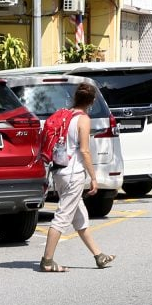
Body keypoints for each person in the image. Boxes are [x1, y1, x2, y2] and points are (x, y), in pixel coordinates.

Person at [39, 82, 115, 272]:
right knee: (62, 217)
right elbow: (84, 151)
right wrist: (94, 177)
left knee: (80, 217)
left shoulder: (66, 114)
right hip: (73, 174)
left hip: (59, 172)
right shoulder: (83, 119)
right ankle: (47, 261)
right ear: (91, 101)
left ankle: (99, 255)